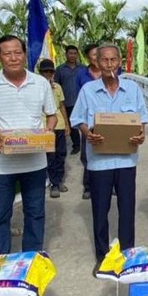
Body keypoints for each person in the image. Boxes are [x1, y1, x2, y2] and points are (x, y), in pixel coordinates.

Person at [0, 35, 57, 255]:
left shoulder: (39, 83)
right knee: (0, 214)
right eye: (7, 53)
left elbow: (51, 115)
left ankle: (32, 258)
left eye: (17, 52)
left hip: (34, 162)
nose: (13, 58)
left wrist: (47, 132)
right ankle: (1, 260)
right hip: (1, 165)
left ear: (24, 54)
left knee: (35, 212)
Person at [71, 44, 148, 267]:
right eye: (104, 60)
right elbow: (78, 119)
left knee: (127, 208)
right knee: (100, 209)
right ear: (97, 62)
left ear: (119, 61)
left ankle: (127, 255)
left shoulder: (132, 89)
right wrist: (88, 134)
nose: (108, 65)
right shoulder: (88, 90)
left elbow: (141, 119)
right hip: (99, 162)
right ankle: (103, 256)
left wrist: (140, 136)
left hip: (126, 160)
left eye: (113, 60)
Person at [74, 43, 103, 200]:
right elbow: (80, 100)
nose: (97, 58)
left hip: (109, 120)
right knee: (88, 154)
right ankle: (88, 186)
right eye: (94, 55)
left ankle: (110, 185)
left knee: (109, 150)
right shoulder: (81, 74)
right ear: (87, 57)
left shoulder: (115, 73)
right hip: (88, 120)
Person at [39, 59, 70, 197]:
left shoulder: (57, 87)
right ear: (41, 73)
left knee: (61, 154)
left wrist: (67, 124)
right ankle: (54, 183)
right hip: (45, 126)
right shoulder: (37, 87)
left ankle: (59, 179)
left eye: (50, 71)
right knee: (50, 156)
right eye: (45, 71)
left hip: (60, 124)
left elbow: (62, 106)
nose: (48, 74)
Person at [54, 45, 84, 155]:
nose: (72, 55)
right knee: (72, 124)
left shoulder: (83, 69)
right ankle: (76, 145)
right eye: (70, 53)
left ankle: (89, 142)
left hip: (81, 101)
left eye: (75, 53)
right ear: (66, 54)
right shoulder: (60, 69)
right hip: (67, 102)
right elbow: (56, 84)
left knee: (86, 123)